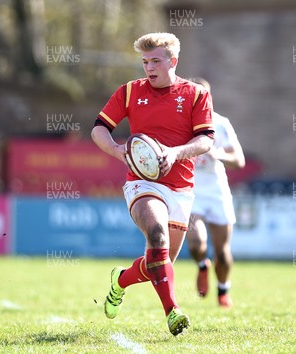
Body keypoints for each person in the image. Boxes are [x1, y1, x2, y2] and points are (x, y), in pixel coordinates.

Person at [91, 32, 214, 336]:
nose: (149, 67)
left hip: (181, 189)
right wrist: (119, 152)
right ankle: (173, 312)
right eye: (145, 61)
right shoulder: (130, 92)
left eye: (155, 60)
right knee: (156, 234)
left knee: (158, 264)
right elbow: (99, 130)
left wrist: (175, 153)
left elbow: (206, 140)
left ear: (173, 61)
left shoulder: (196, 94)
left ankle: (120, 280)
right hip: (142, 183)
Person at [185, 77, 245, 308]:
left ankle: (223, 290)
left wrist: (218, 154)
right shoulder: (180, 122)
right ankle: (202, 265)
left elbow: (239, 160)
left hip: (217, 190)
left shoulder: (220, 123)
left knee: (223, 251)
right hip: (190, 190)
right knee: (196, 244)